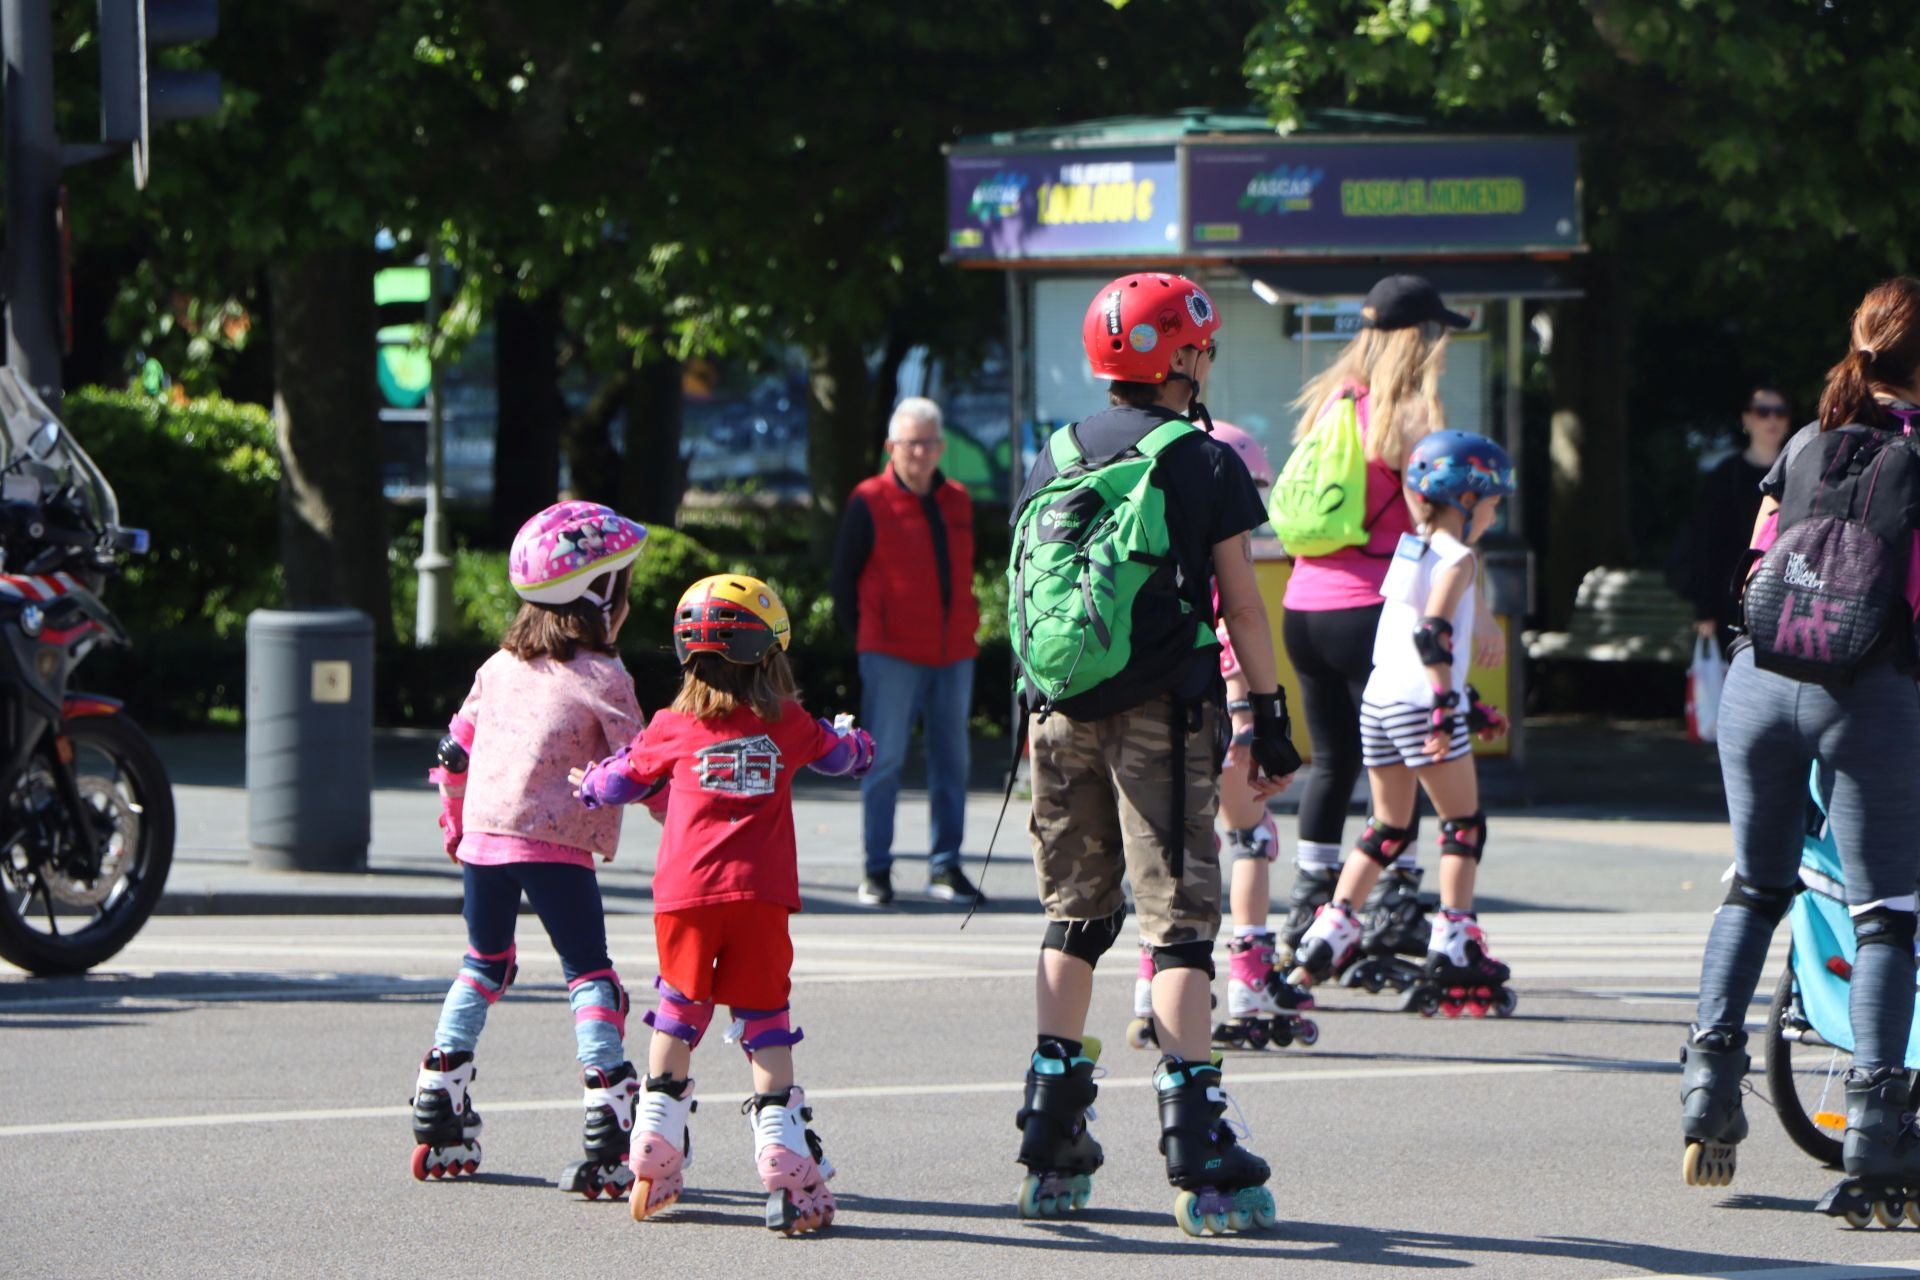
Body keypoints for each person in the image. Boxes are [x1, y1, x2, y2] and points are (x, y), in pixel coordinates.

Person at [1007, 272, 1302, 1235]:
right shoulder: (1201, 459)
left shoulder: (1052, 453)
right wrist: (1269, 711)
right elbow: (1244, 606)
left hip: (1054, 714)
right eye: (1202, 346)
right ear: (1175, 358)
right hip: (1161, 720)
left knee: (1074, 919)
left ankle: (1052, 1132)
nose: (1207, 358)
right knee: (1176, 928)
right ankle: (1198, 1141)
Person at [1681, 278, 1920, 1217]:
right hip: (1865, 698)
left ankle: (1707, 1088)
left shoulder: (1804, 445)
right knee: (1886, 914)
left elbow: (1755, 569)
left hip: (1759, 687)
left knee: (1756, 884)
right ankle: (1875, 1138)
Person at [572, 574, 875, 1234]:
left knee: (678, 1011)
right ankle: (783, 1155)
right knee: (765, 1019)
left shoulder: (672, 726)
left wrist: (590, 785)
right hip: (760, 899)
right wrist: (858, 741)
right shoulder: (787, 723)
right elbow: (843, 757)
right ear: (769, 656)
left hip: (684, 898)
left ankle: (655, 1138)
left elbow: (621, 778)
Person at [408, 501, 650, 1199]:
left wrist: (454, 825)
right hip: (553, 846)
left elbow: (454, 751)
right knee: (589, 977)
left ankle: (440, 1086)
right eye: (625, 588)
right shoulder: (605, 678)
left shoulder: (498, 666)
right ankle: (608, 1107)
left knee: (485, 963)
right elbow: (641, 765)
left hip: (483, 840)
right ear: (601, 596)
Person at [1274, 276, 1493, 974]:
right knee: (1412, 767)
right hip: (1373, 609)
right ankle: (1397, 913)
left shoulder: (1328, 403)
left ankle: (1312, 910)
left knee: (1335, 763)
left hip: (1304, 609)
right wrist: (1472, 602)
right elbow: (1437, 527)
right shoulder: (1405, 417)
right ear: (1421, 339)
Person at [1286, 431, 1517, 1022]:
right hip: (1420, 702)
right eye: (1491, 502)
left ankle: (1326, 938)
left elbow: (1403, 629)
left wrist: (1461, 695)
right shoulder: (1460, 560)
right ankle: (1455, 945)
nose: (1494, 513)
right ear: (1465, 501)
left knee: (1388, 827)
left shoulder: (1412, 548)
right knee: (1463, 825)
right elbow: (1432, 632)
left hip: (1382, 698)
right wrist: (1446, 703)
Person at [1121, 423, 1311, 1052]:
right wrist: (1260, 719)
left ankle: (1153, 985)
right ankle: (1250, 981)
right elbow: (1242, 634)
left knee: (1167, 852)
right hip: (1230, 717)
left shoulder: (1161, 568)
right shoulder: (1230, 580)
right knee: (1250, 838)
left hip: (1164, 718)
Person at [829, 396, 983, 907]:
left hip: (952, 651)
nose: (919, 453)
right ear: (891, 447)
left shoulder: (957, 499)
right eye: (909, 443)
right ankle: (877, 869)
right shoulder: (868, 499)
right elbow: (843, 578)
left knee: (952, 761)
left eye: (928, 443)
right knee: (883, 760)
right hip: (890, 651)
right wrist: (866, 636)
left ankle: (946, 866)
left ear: (941, 448)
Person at [1671, 385, 1793, 651]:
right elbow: (1706, 544)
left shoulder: (1798, 472)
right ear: (1746, 419)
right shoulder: (1725, 476)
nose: (1772, 419)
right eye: (1763, 412)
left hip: (1783, 599)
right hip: (1731, 601)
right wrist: (1706, 610)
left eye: (1780, 412)